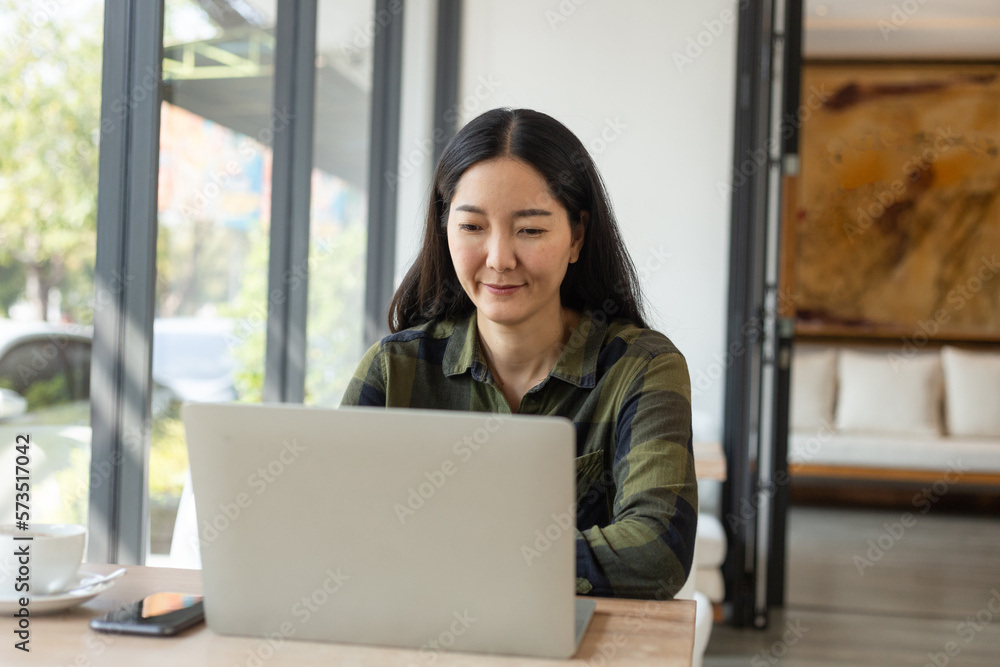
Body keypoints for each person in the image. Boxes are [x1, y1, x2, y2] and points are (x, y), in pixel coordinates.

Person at [341, 108, 697, 600]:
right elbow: (337, 534)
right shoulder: (394, 369)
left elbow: (658, 552)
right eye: (472, 228)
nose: (499, 258)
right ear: (445, 230)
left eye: (529, 230)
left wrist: (456, 557)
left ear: (576, 236)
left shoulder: (642, 369)